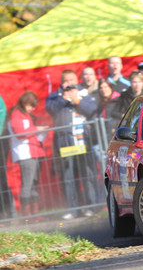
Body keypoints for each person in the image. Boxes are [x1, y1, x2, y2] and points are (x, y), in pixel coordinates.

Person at [45, 69, 98, 219]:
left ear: (77, 80)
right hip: (66, 143)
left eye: (71, 80)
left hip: (83, 142)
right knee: (68, 177)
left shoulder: (84, 93)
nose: (69, 83)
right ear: (61, 82)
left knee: (87, 174)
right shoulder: (55, 96)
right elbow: (50, 108)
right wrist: (64, 98)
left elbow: (92, 110)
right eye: (66, 80)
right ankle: (73, 209)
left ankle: (91, 207)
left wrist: (77, 100)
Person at [8, 91, 48, 216]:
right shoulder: (17, 116)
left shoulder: (25, 115)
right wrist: (38, 129)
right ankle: (26, 214)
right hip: (26, 154)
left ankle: (34, 212)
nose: (33, 108)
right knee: (28, 183)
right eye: (31, 105)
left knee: (33, 183)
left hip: (34, 152)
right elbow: (20, 133)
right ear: (25, 103)